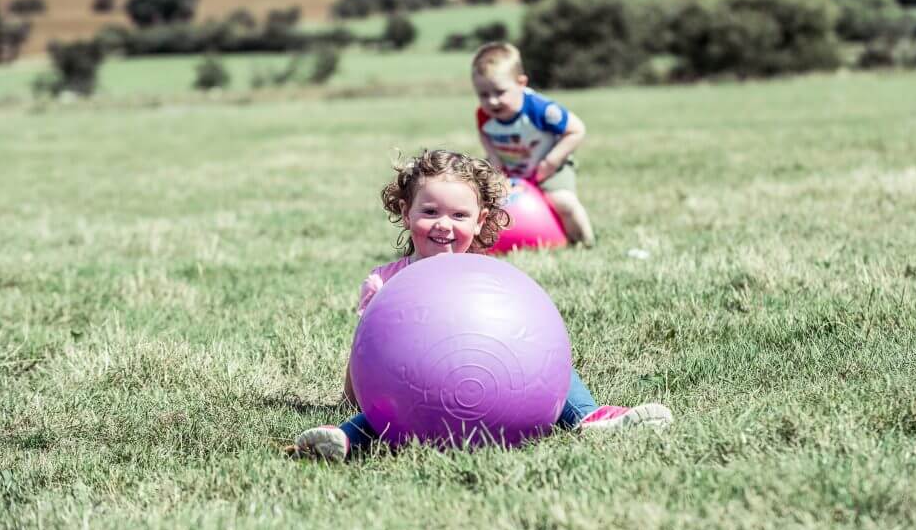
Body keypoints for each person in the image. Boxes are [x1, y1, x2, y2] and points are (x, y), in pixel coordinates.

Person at [287, 150, 671, 461]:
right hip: (413, 390)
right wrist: (351, 399)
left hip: (491, 379)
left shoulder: (487, 280)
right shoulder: (385, 283)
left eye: (459, 215)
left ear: (479, 220)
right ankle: (345, 439)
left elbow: (522, 335)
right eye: (430, 212)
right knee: (384, 408)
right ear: (406, 213)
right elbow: (367, 354)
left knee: (545, 361)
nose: (444, 224)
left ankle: (588, 416)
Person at [471, 42, 595, 246]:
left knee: (563, 201)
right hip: (507, 168)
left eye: (500, 92)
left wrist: (551, 162)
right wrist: (493, 159)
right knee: (477, 199)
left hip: (549, 167)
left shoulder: (541, 109)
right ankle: (481, 244)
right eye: (483, 95)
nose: (492, 101)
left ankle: (585, 241)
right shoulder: (484, 114)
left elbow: (576, 130)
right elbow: (484, 133)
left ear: (521, 83)